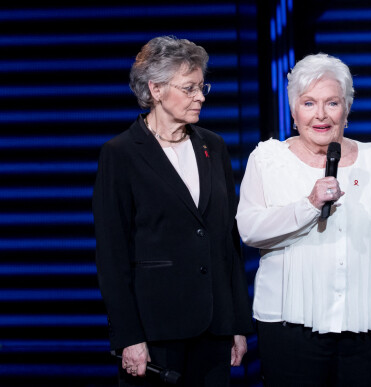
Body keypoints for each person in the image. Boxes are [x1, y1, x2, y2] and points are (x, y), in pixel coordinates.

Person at [236, 53, 371, 386]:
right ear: (293, 111)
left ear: (346, 110)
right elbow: (250, 230)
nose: (320, 115)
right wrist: (310, 204)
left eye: (332, 103)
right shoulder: (268, 159)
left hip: (363, 326)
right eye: (308, 103)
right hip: (288, 328)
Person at [92, 36, 253, 386]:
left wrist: (237, 324)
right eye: (189, 88)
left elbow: (228, 241)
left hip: (214, 327)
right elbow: (111, 254)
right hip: (155, 330)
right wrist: (128, 337)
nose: (201, 96)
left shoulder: (214, 145)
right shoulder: (120, 154)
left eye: (202, 86)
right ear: (156, 89)